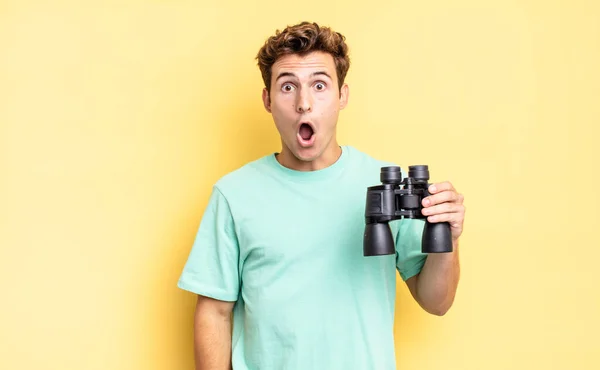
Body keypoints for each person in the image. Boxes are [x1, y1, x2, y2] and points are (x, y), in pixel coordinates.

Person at [177, 21, 465, 370]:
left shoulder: (382, 185)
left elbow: (437, 301)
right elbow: (214, 312)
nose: (304, 103)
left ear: (342, 95)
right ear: (267, 100)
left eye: (319, 85)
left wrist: (448, 236)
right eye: (287, 87)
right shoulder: (234, 194)